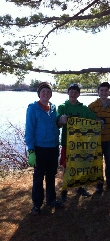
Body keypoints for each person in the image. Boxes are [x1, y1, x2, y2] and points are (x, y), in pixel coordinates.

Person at [25, 82, 63, 215]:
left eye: (48, 92)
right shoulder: (33, 108)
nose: (46, 94)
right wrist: (31, 150)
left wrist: (61, 123)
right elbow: (29, 131)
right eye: (43, 92)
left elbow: (54, 126)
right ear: (39, 94)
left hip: (53, 147)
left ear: (51, 94)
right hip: (40, 148)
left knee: (51, 175)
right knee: (38, 177)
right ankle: (36, 204)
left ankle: (51, 199)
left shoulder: (53, 108)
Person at [57, 83, 98, 202]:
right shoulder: (62, 107)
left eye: (76, 92)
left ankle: (80, 187)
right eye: (72, 91)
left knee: (81, 166)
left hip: (81, 143)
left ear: (79, 94)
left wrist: (99, 121)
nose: (74, 94)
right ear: (68, 92)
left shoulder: (83, 108)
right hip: (67, 142)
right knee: (66, 167)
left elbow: (93, 118)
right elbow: (58, 123)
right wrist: (61, 120)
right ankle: (64, 190)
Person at [88, 82, 110, 194]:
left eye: (106, 90)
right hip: (96, 140)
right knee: (98, 162)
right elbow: (87, 122)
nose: (103, 92)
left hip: (109, 139)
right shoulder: (92, 106)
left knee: (109, 162)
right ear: (98, 92)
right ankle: (99, 183)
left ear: (109, 91)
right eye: (101, 90)